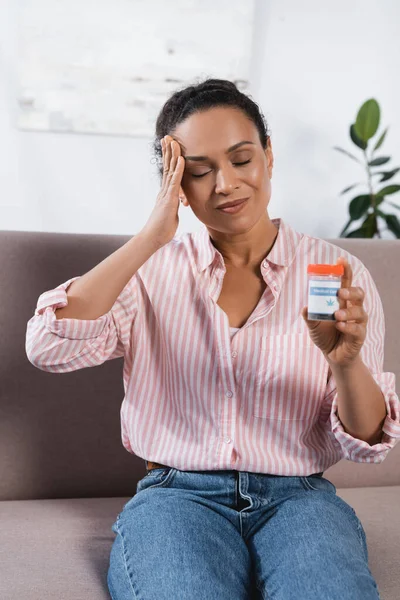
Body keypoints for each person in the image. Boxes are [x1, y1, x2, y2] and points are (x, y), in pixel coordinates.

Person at [25, 78, 400, 600]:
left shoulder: (337, 272)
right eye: (200, 171)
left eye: (242, 159)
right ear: (175, 184)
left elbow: (368, 444)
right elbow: (48, 347)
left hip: (300, 498)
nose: (225, 184)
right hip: (177, 496)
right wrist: (151, 237)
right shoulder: (150, 272)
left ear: (269, 157)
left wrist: (345, 361)